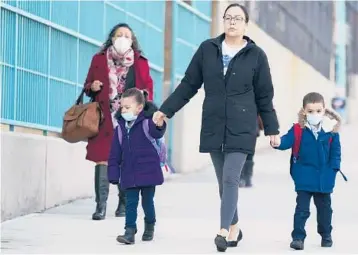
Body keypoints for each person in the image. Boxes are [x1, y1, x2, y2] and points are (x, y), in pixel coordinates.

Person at [153, 3, 280, 252]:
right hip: (213, 123)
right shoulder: (207, 49)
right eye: (228, 17)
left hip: (243, 125)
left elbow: (265, 96)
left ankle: (222, 231)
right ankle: (235, 227)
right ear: (223, 21)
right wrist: (165, 110)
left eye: (238, 18)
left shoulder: (256, 55)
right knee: (223, 182)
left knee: (232, 177)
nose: (232, 22)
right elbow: (189, 84)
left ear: (245, 24)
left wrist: (272, 129)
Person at [83, 23, 154, 220]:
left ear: (132, 41)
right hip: (104, 117)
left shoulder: (140, 62)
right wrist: (93, 86)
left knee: (125, 160)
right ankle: (101, 206)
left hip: (128, 119)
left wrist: (144, 95)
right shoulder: (98, 59)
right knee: (102, 159)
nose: (122, 38)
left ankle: (123, 204)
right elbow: (87, 85)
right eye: (118, 35)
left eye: (127, 35)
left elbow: (148, 86)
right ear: (112, 38)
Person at [272, 92, 343, 250]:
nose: (315, 114)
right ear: (304, 111)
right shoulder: (298, 129)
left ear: (324, 110)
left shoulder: (331, 131)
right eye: (310, 111)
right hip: (304, 176)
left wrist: (334, 169)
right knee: (302, 210)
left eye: (318, 111)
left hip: (325, 178)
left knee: (325, 210)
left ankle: (326, 235)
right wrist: (277, 142)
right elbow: (286, 141)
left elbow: (336, 153)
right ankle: (298, 237)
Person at [107, 88, 166, 245]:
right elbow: (114, 153)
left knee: (147, 202)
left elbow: (157, 132)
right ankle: (129, 231)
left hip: (148, 171)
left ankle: (150, 225)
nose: (124, 110)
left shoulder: (147, 123)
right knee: (130, 202)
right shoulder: (120, 128)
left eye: (127, 107)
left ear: (139, 108)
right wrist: (113, 172)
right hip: (129, 172)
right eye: (122, 107)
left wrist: (160, 124)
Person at [239, 116, 263, 188]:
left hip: (241, 131)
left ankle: (243, 177)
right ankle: (247, 178)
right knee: (249, 154)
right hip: (252, 130)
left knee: (242, 154)